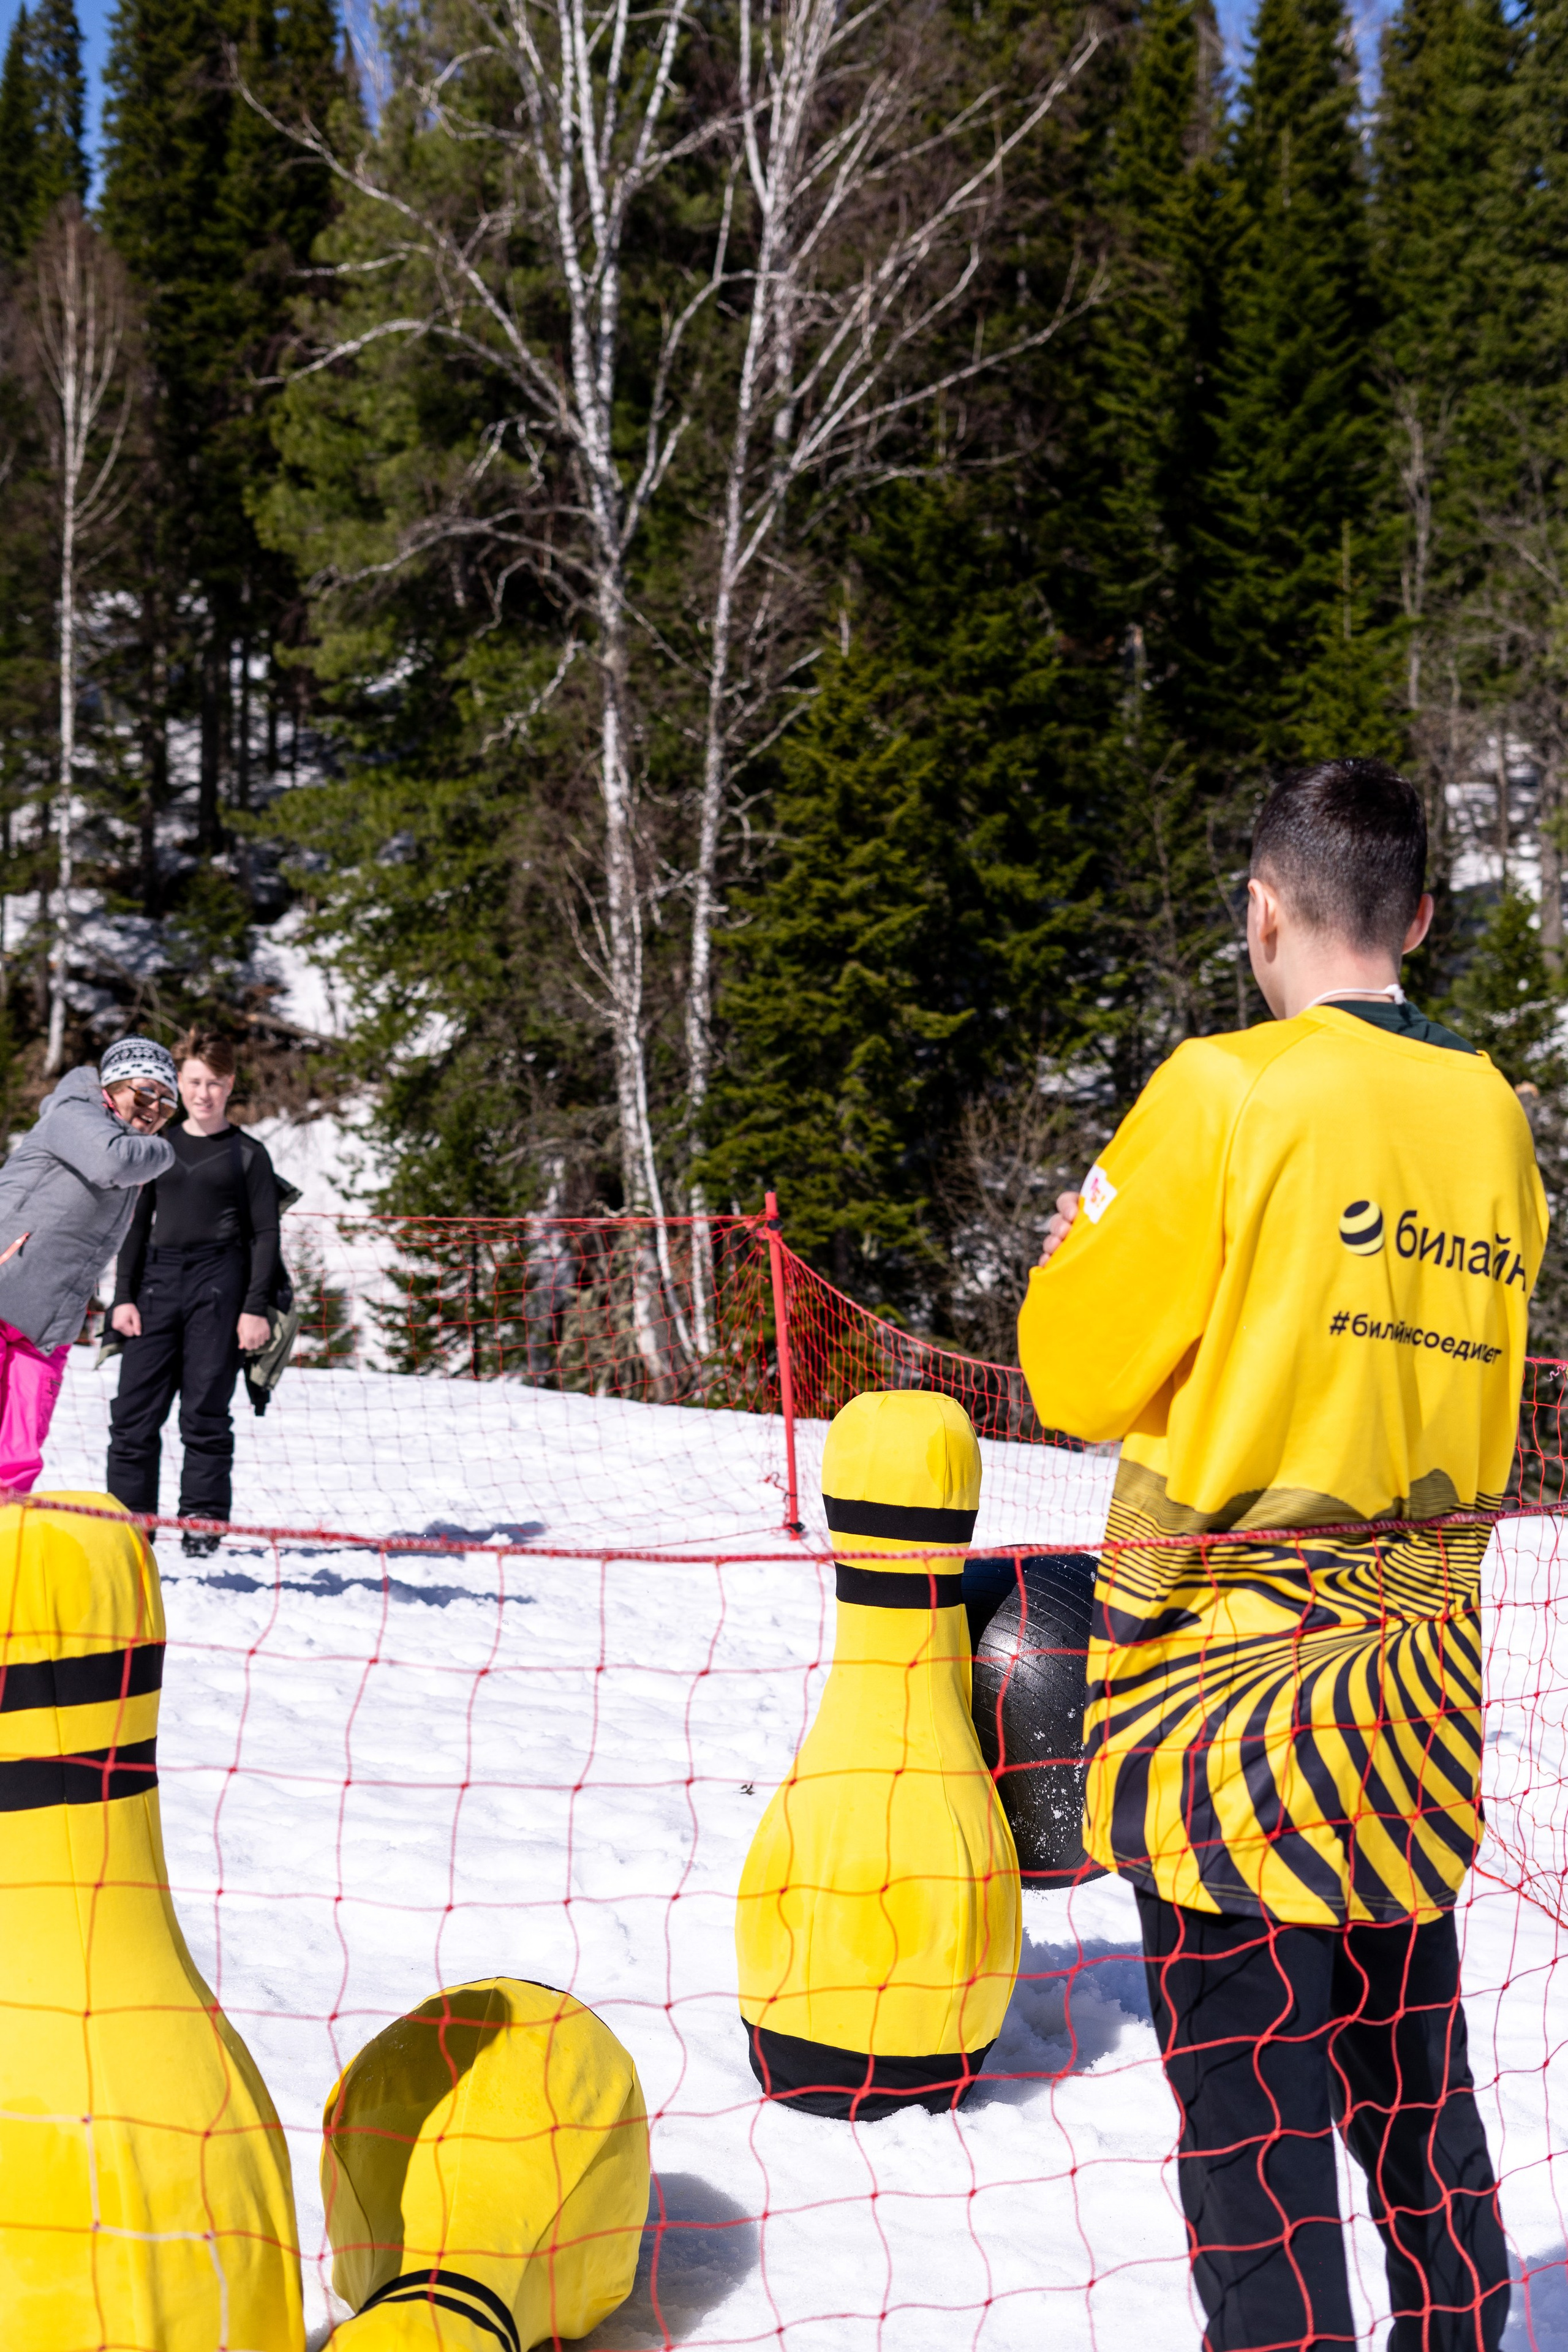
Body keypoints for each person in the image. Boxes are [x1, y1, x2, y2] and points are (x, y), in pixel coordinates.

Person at [1017, 758, 1546, 2352]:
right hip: (1410, 1699)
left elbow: (1074, 1376)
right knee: (1415, 2091)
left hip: (1224, 1716)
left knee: (1256, 2151)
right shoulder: (1497, 1121)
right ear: (1423, 920)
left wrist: (1078, 1257)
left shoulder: (1223, 1095)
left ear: (1262, 914)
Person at [105, 1031, 283, 1556]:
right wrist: (123, 1296)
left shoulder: (249, 1155)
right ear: (177, 1083)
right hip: (156, 1285)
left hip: (219, 1284)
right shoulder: (157, 1148)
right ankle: (129, 1526)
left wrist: (255, 1307)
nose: (203, 1093)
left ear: (230, 1085)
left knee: (204, 1412)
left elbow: (266, 1235)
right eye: (193, 1082)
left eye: (214, 1083)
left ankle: (202, 1525)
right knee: (133, 1414)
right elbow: (135, 1225)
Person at [0, 1038, 176, 1493]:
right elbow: (109, 1161)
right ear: (114, 1086)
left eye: (166, 1101)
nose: (154, 1108)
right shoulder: (75, 1113)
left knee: (17, 1458)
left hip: (48, 1324)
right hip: (4, 1292)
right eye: (144, 1092)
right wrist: (168, 1151)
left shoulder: (132, 1144)